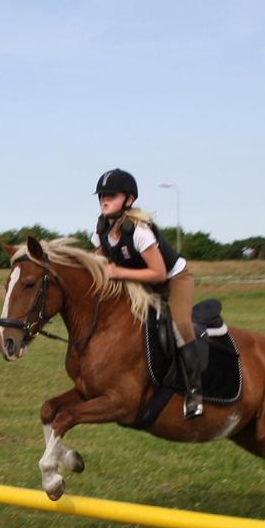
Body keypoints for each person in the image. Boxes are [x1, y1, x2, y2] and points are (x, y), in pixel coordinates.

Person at [91, 168, 204, 418]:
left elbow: (158, 274)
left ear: (129, 200)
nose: (104, 200)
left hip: (173, 279)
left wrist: (118, 272)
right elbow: (103, 272)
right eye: (101, 196)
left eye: (111, 195)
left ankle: (195, 390)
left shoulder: (139, 231)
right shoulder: (99, 233)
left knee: (180, 325)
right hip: (140, 283)